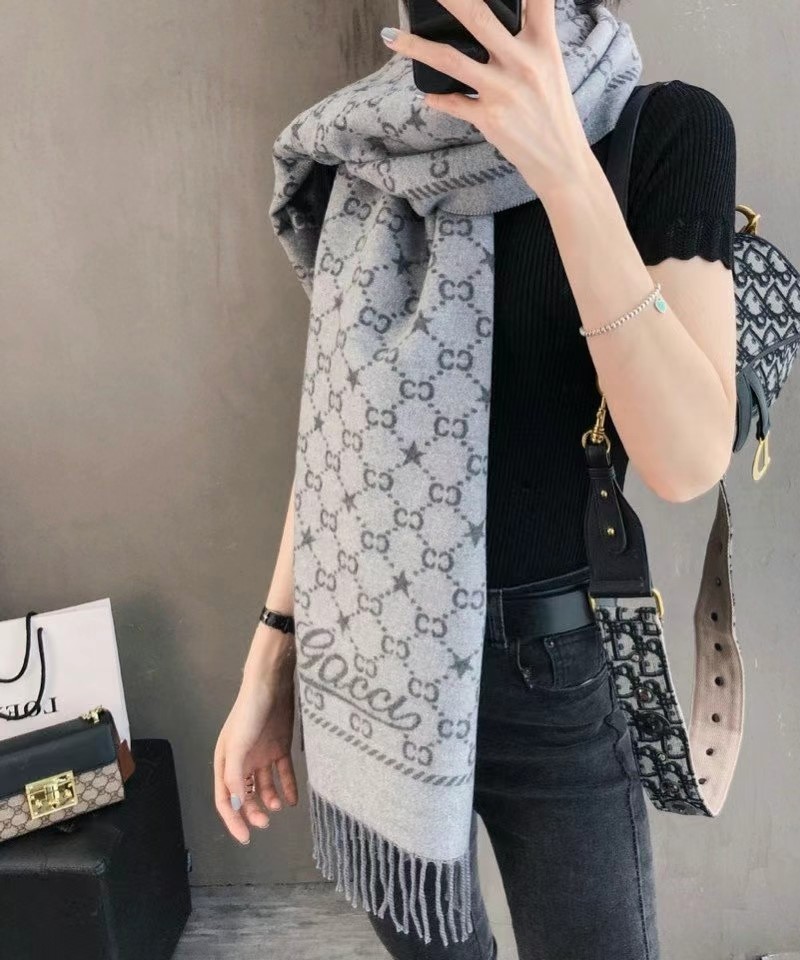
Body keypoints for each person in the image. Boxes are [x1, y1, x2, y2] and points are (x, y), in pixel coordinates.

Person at [213, 1, 737, 957]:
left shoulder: (664, 128)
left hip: (554, 672)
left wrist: (562, 164)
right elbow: (338, 440)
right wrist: (270, 660)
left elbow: (686, 460)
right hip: (369, 660)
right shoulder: (365, 150)